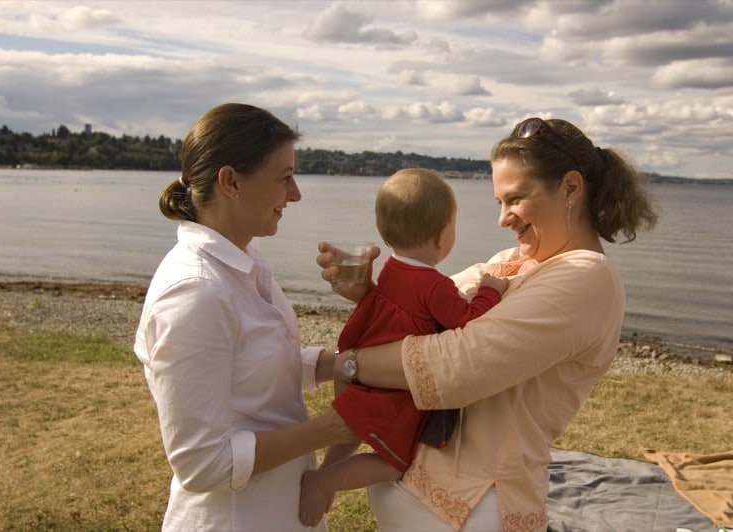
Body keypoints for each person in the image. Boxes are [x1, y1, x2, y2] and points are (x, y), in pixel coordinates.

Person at [317, 117, 658, 531]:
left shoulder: (588, 278)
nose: (503, 218)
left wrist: (346, 363)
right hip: (421, 484)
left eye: (515, 199)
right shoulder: (510, 263)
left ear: (570, 188)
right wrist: (369, 295)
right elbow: (421, 319)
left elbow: (455, 366)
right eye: (499, 201)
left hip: (470, 506)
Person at [133, 102, 354, 532]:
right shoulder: (194, 292)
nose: (295, 193)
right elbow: (201, 463)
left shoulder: (245, 259)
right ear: (230, 181)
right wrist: (329, 429)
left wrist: (344, 363)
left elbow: (254, 365)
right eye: (284, 177)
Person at [298, 168, 509, 526]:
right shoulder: (434, 285)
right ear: (444, 237)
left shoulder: (392, 268)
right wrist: (491, 289)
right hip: (393, 388)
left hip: (364, 368)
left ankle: (331, 467)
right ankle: (323, 481)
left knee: (351, 429)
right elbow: (465, 320)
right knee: (393, 461)